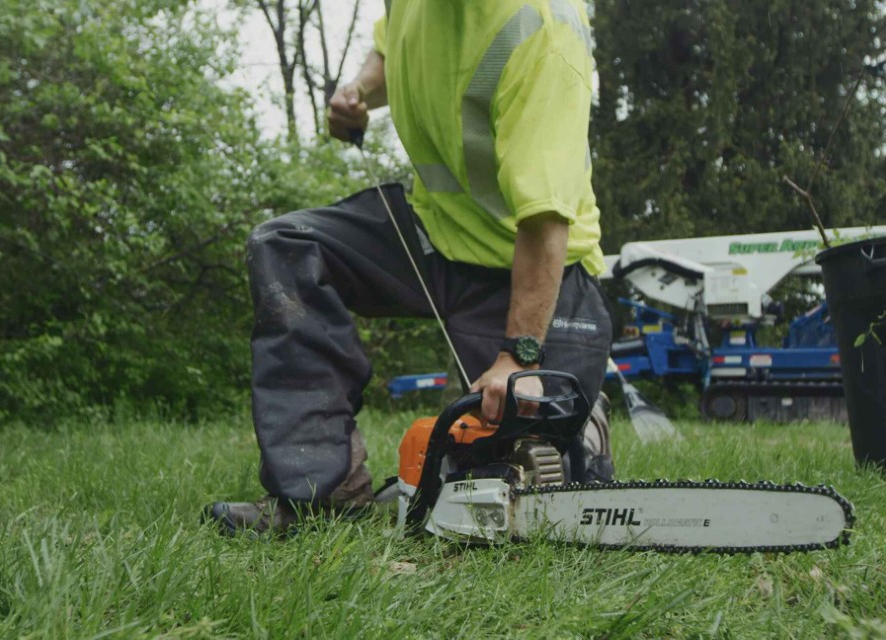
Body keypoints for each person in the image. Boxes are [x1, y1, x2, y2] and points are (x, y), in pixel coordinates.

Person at [205, 1, 613, 535]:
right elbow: (390, 43)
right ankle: (317, 495)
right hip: (433, 232)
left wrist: (520, 357)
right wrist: (359, 93)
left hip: (534, 265)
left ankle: (583, 420)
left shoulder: (542, 27)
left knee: (501, 480)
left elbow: (545, 220)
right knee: (285, 245)